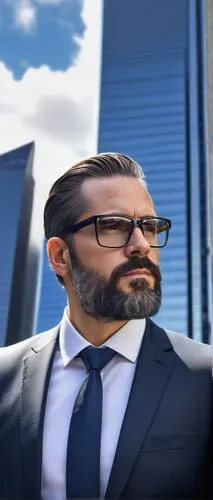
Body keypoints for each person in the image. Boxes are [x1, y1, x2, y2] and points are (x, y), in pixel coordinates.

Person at [0, 153, 212, 500]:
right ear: (60, 256)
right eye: (113, 225)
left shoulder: (205, 377)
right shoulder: (4, 377)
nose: (142, 244)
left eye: (149, 226)